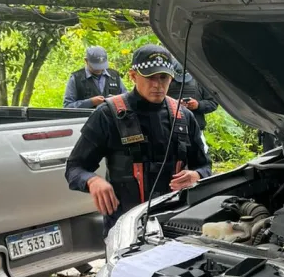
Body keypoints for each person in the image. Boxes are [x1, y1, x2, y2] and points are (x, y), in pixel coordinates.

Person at [65, 44, 212, 237]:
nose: (158, 85)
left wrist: (197, 175)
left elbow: (205, 167)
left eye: (163, 77)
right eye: (150, 77)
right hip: (125, 228)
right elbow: (74, 168)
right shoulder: (108, 115)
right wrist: (92, 181)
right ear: (133, 76)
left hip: (174, 226)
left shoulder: (183, 116)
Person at [166, 59, 219, 154]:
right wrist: (173, 104)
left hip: (196, 130)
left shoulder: (200, 81)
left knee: (201, 159)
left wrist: (198, 105)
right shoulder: (166, 82)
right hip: (171, 131)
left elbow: (213, 103)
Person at [63, 46, 127, 108]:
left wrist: (115, 100)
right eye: (95, 66)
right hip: (86, 118)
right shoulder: (76, 78)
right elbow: (68, 106)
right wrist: (90, 102)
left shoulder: (114, 76)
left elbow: (126, 99)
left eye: (102, 65)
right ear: (86, 61)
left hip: (111, 117)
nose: (99, 69)